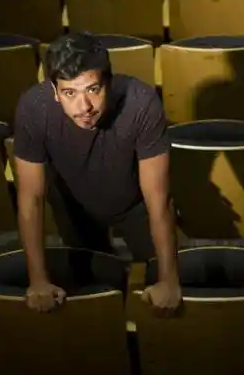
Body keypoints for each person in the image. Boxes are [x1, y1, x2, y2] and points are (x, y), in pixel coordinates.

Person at [13, 33, 182, 315]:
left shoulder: (141, 103)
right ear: (54, 92)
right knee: (90, 296)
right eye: (70, 93)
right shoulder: (33, 108)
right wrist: (38, 280)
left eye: (93, 89)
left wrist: (170, 280)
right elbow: (30, 197)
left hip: (134, 201)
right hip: (73, 204)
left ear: (109, 83)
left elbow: (158, 198)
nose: (84, 107)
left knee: (170, 287)